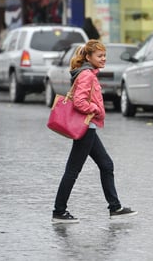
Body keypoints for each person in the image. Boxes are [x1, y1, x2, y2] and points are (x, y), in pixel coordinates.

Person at [52, 40, 137, 223]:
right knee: (73, 170)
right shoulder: (87, 75)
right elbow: (79, 102)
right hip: (86, 128)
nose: (103, 59)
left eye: (104, 55)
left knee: (106, 164)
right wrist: (96, 109)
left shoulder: (89, 73)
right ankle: (59, 211)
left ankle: (115, 207)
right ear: (88, 57)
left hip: (89, 127)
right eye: (100, 56)